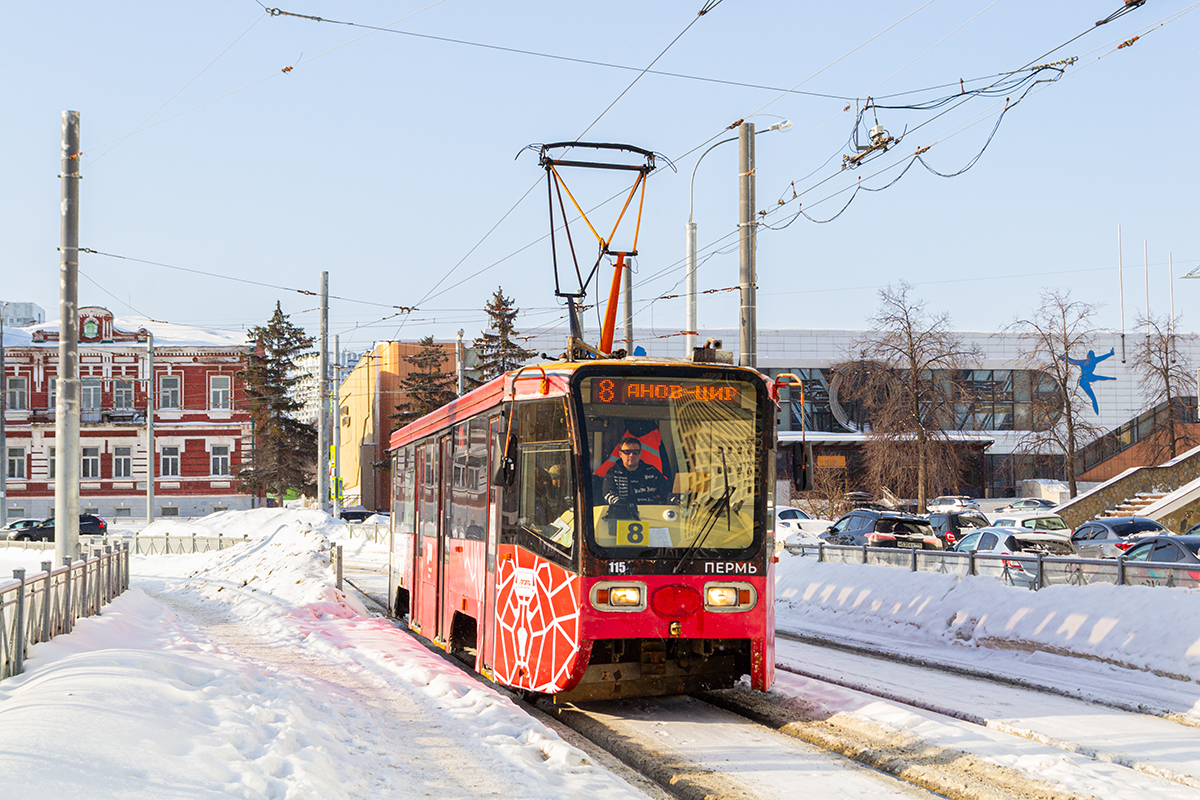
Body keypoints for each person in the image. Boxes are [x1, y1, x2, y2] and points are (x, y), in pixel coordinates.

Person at [602, 437, 669, 507]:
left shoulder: (652, 470)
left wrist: (674, 499)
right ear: (620, 454)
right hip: (625, 514)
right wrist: (621, 505)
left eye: (635, 452)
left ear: (640, 454)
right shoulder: (613, 473)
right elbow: (608, 494)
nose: (631, 455)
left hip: (652, 513)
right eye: (627, 452)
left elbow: (666, 492)